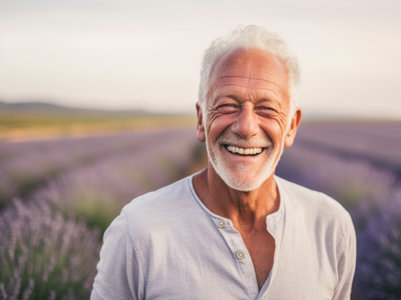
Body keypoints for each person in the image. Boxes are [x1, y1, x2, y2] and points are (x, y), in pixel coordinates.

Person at [91, 25, 356, 300]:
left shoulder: (330, 226)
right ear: (201, 119)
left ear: (291, 126)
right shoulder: (138, 232)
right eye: (228, 105)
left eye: (266, 108)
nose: (246, 127)